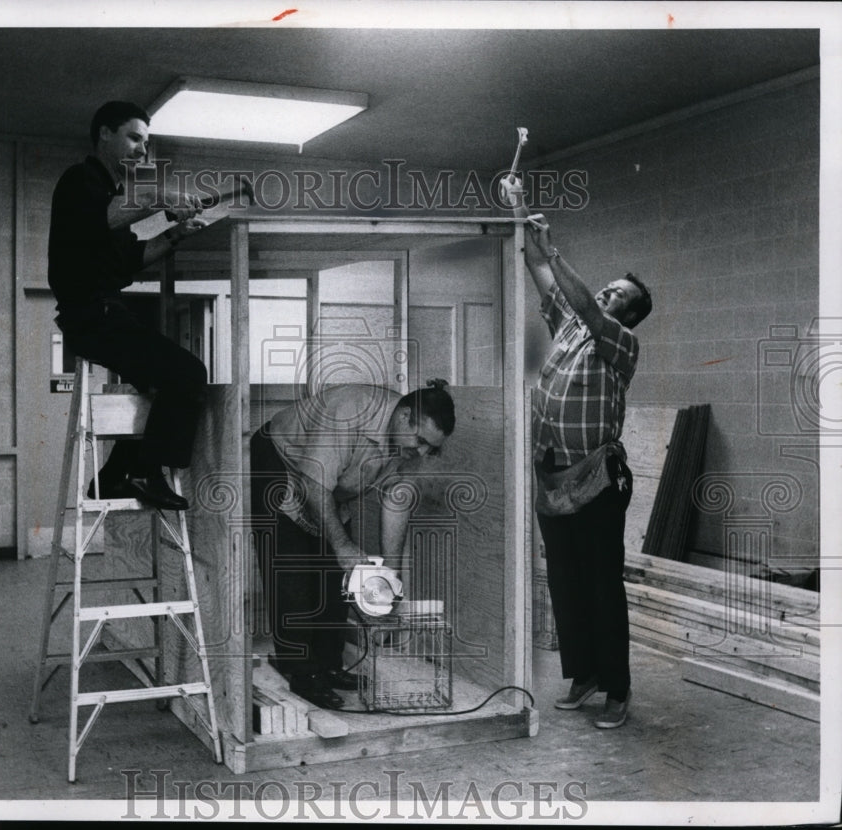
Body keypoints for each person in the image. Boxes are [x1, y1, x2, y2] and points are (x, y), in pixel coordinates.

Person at [501, 173, 652, 729]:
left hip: (596, 481)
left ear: (628, 314)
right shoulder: (568, 331)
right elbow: (544, 277)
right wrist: (520, 213)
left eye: (620, 295)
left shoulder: (620, 342)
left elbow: (585, 304)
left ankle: (617, 689)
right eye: (609, 287)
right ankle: (584, 673)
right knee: (564, 585)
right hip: (554, 478)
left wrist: (556, 249)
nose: (609, 294)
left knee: (601, 586)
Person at [250, 380, 455, 709]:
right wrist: (342, 544)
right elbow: (313, 483)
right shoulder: (349, 411)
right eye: (420, 441)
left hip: (328, 482)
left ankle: (328, 665)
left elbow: (396, 502)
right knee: (292, 570)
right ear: (404, 417)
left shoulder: (410, 446)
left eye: (431, 448)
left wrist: (390, 576)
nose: (422, 453)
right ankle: (301, 672)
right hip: (280, 459)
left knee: (334, 575)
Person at [48, 101, 207, 511]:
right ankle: (144, 472)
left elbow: (132, 258)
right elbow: (105, 219)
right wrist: (160, 197)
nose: (141, 149)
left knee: (161, 384)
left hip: (102, 313)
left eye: (145, 142)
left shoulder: (111, 196)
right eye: (134, 138)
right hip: (91, 314)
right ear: (105, 133)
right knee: (189, 372)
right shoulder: (81, 181)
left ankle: (113, 477)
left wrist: (176, 234)